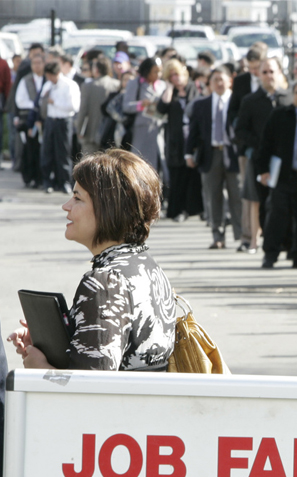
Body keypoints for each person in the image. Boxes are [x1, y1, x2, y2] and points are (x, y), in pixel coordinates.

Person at [8, 150, 176, 371]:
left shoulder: (105, 283)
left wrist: (41, 368)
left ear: (109, 208)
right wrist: (53, 343)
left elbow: (91, 384)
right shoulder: (147, 265)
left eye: (77, 198)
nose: (66, 206)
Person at [256, 79, 297, 269]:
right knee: (277, 214)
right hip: (283, 174)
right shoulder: (280, 114)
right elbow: (265, 143)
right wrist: (263, 170)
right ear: (292, 94)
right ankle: (270, 254)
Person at [235, 56, 291, 257]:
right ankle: (260, 241)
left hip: (285, 160)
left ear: (279, 73)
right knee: (258, 200)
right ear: (258, 74)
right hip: (259, 159)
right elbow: (240, 130)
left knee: (284, 201)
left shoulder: (288, 98)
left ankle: (285, 241)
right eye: (264, 72)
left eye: (272, 71)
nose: (268, 76)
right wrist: (259, 144)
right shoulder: (250, 101)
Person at [185, 66, 242, 249]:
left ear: (230, 81)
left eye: (221, 79)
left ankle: (242, 236)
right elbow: (193, 131)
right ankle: (218, 235)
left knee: (237, 195)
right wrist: (188, 153)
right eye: (215, 80)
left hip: (233, 154)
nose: (218, 83)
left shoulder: (238, 102)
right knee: (213, 196)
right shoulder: (201, 104)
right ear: (209, 83)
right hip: (211, 154)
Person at [157, 58, 201, 222]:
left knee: (192, 174)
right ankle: (177, 209)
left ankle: (192, 208)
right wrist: (169, 88)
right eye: (171, 76)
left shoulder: (193, 88)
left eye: (177, 74)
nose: (176, 78)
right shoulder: (171, 92)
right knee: (176, 174)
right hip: (175, 139)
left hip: (192, 137)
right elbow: (161, 109)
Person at [39, 60, 81, 194]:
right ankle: (47, 181)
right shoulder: (48, 85)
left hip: (63, 121)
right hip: (50, 120)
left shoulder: (69, 85)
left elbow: (74, 106)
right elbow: (41, 101)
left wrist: (55, 102)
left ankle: (64, 182)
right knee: (47, 151)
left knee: (63, 153)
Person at [123, 57, 166, 171]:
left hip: (158, 130)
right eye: (155, 71)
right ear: (147, 71)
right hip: (140, 130)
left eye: (160, 71)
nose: (159, 74)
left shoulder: (162, 85)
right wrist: (141, 105)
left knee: (157, 165)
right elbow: (126, 106)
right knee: (139, 163)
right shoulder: (135, 83)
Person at [76, 56, 119, 157]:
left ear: (96, 69)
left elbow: (83, 111)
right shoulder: (116, 85)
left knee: (89, 163)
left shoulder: (88, 86)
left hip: (91, 133)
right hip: (110, 134)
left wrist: (79, 130)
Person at [14, 53, 45, 189]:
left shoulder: (47, 79)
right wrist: (35, 105)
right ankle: (30, 177)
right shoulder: (26, 80)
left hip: (43, 119)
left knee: (43, 150)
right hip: (29, 119)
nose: (36, 66)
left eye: (39, 63)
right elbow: (20, 100)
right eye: (34, 63)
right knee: (30, 149)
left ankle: (41, 178)